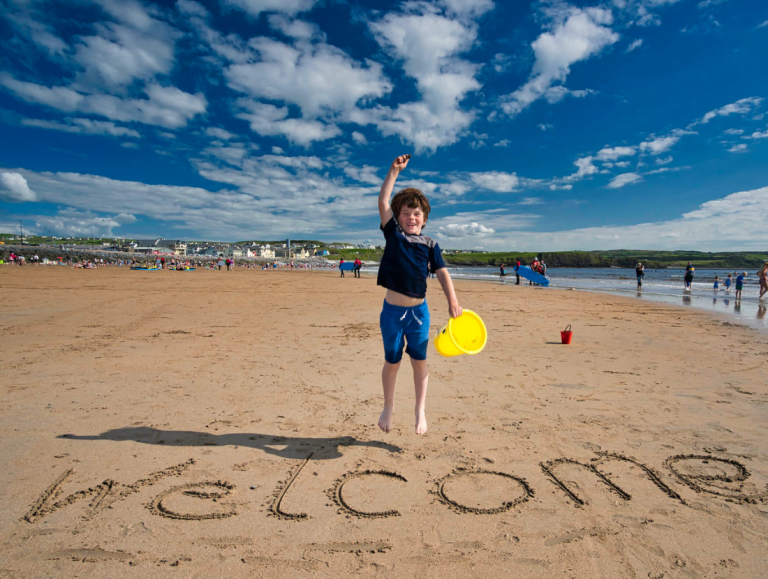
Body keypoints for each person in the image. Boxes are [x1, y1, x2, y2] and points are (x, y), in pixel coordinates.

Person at [376, 153, 461, 435]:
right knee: (392, 362)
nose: (411, 217)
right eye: (405, 213)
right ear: (398, 218)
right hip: (391, 314)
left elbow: (442, 272)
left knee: (419, 362)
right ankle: (389, 406)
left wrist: (453, 301)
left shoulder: (430, 243)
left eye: (416, 214)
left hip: (418, 314)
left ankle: (419, 409)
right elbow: (383, 201)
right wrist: (393, 171)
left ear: (424, 220)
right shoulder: (394, 236)